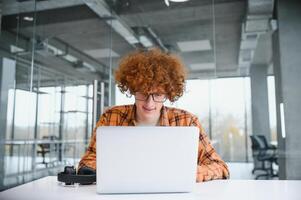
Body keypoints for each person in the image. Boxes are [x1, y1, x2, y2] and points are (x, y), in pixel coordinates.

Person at [78, 48, 229, 182]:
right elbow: (88, 162)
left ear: (168, 93)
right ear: (132, 90)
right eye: (143, 93)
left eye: (157, 94)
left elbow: (220, 167)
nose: (149, 103)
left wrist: (200, 171)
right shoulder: (111, 117)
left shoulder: (187, 121)